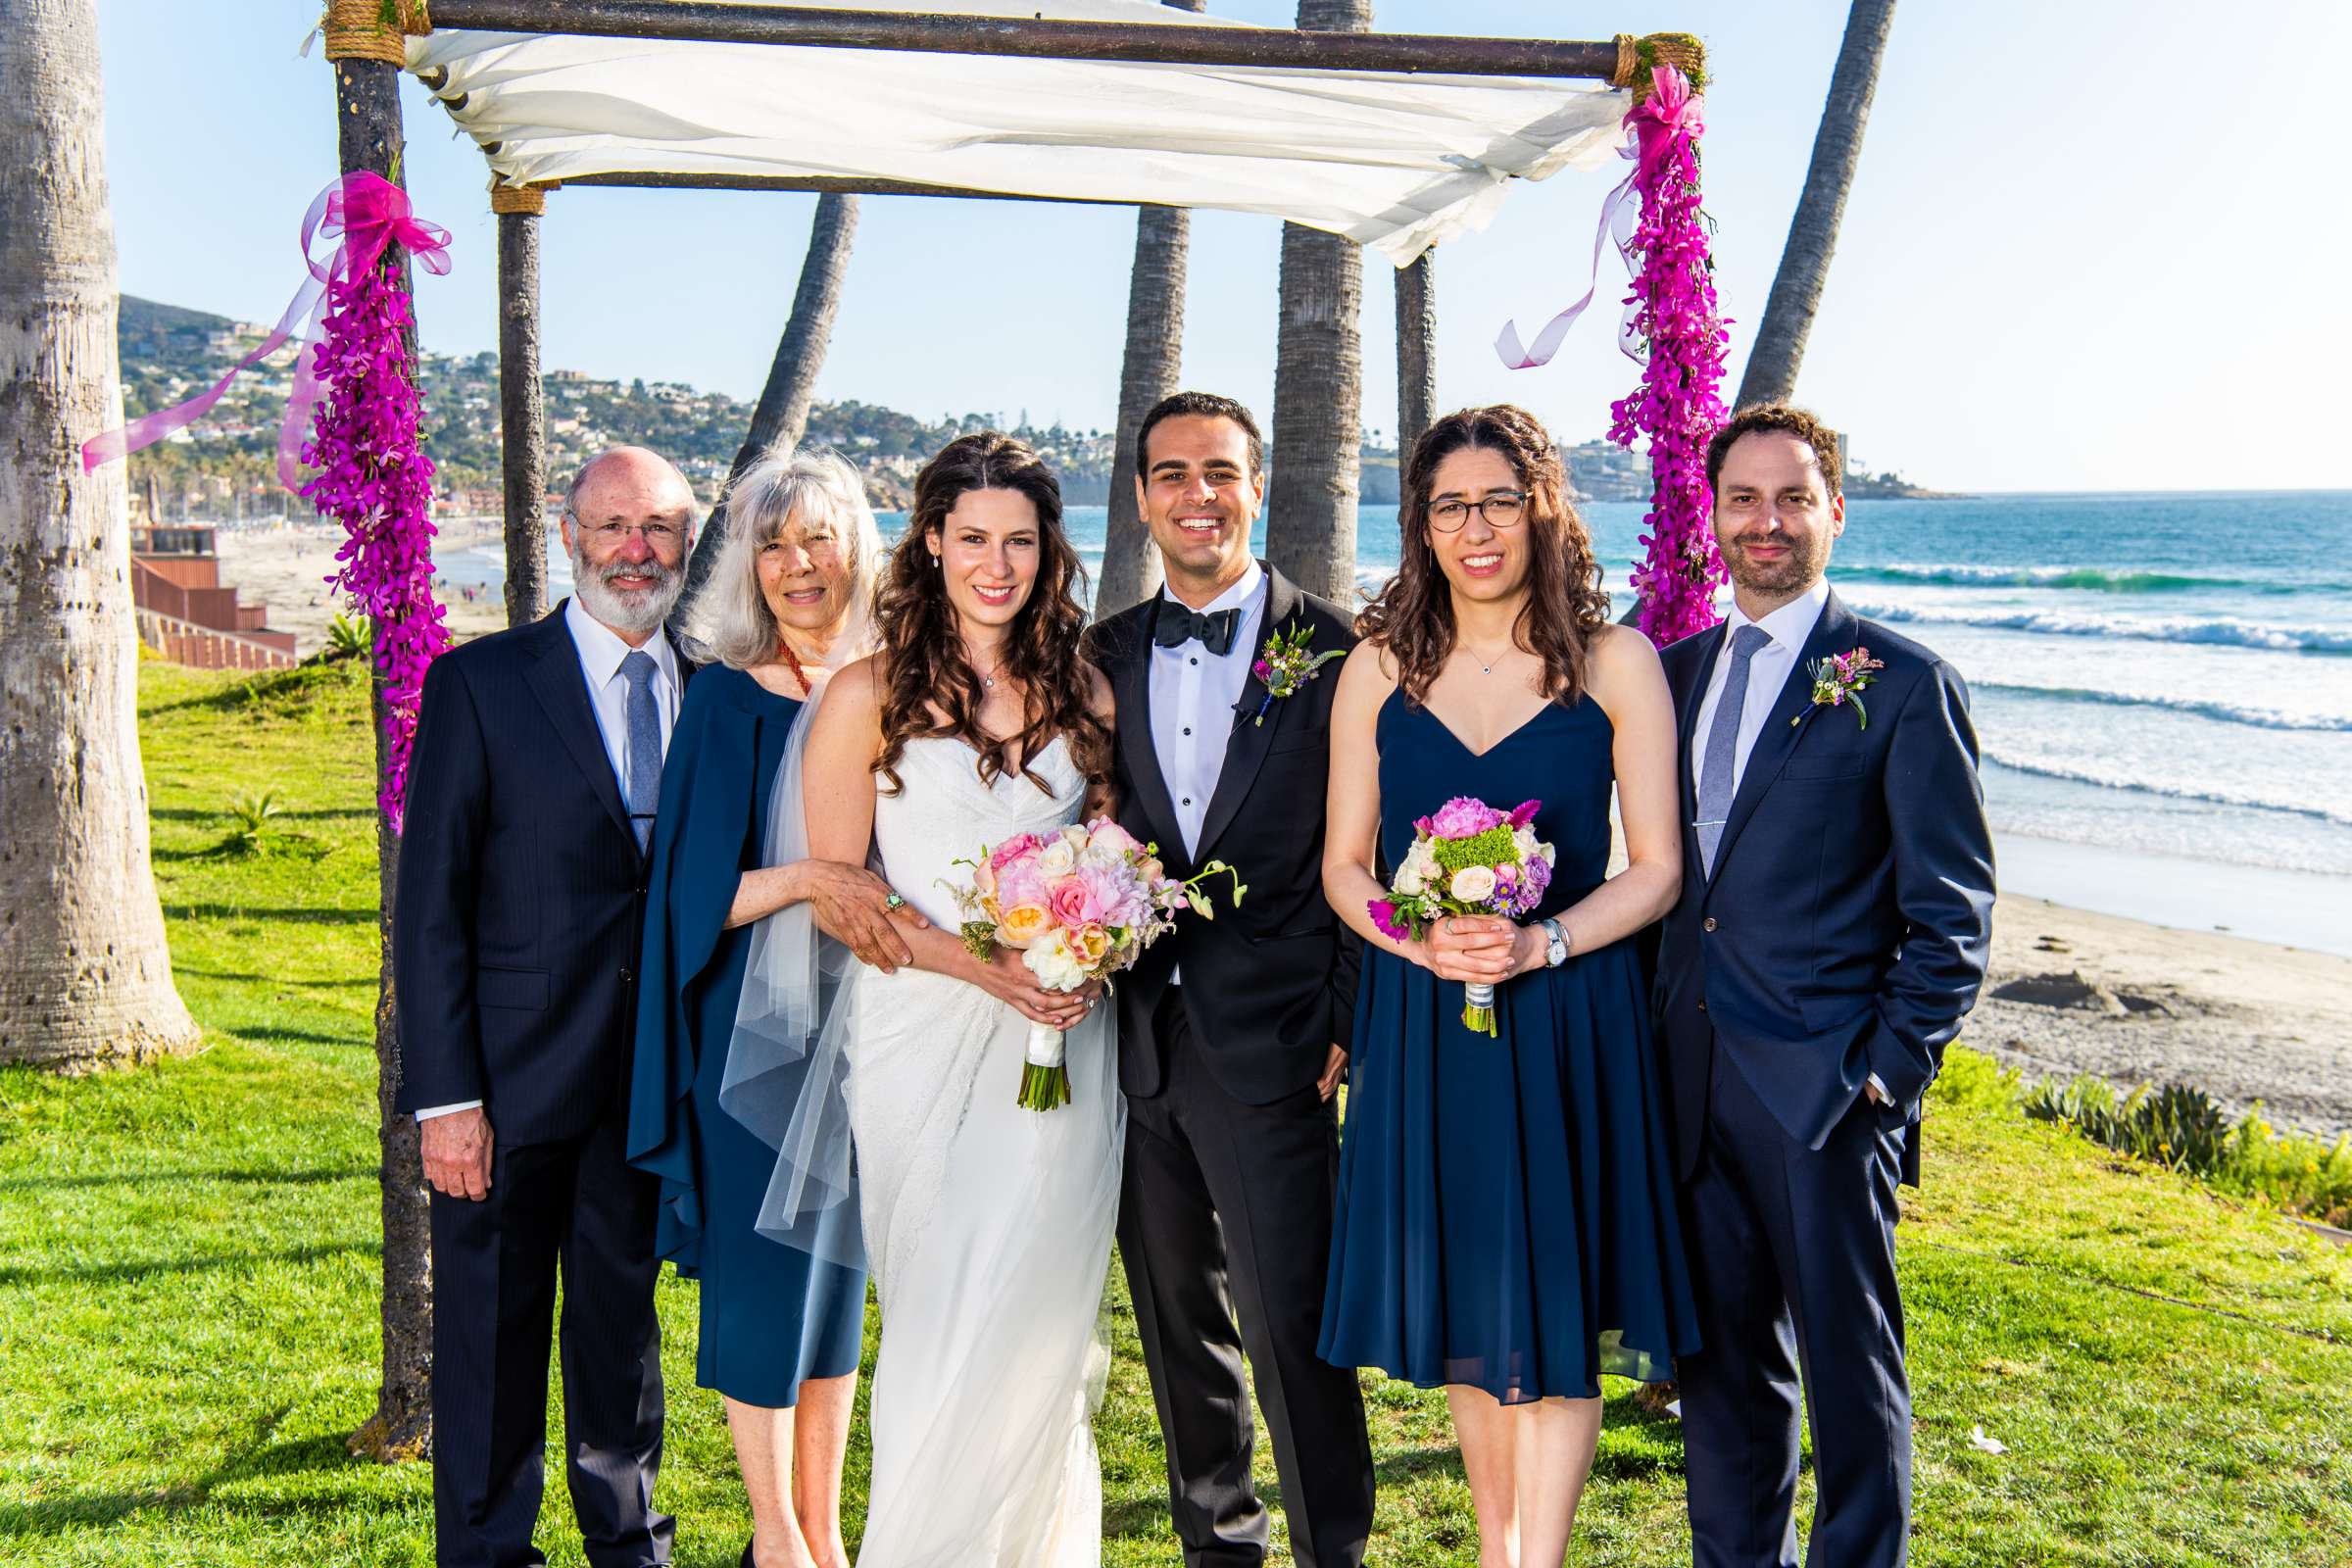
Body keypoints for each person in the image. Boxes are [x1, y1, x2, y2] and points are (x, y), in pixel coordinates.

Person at [1317, 405, 1701, 1566]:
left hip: (1571, 1018)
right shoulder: (1378, 666)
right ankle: (1496, 1551)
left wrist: (1546, 946)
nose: (1475, 528)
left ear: (1541, 508)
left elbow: (1661, 868)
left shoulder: (1617, 659)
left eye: (1496, 501)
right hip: (1427, 1019)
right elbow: (1343, 866)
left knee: (1561, 1298)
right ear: (1421, 524)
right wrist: (1418, 937)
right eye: (1449, 506)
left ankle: (1540, 1559)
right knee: (1473, 1301)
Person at [1655, 403, 1994, 1568]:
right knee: (1723, 1371)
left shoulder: (1904, 684)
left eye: (1793, 497)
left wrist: (1883, 1082)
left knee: (1854, 1381)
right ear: (1712, 519)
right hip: (1689, 1082)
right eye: (1743, 499)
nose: (1768, 521)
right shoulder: (1672, 674)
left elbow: (1951, 921)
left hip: (1828, 1097)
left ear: (1835, 512)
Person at [790, 431, 1118, 1565]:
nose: (997, 562)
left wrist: (1089, 944)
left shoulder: (1083, 689)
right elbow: (842, 895)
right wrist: (990, 971)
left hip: (1066, 1043)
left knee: (1039, 1319)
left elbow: (1111, 855)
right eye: (973, 537)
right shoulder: (863, 695)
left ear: (1047, 552)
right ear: (930, 543)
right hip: (920, 1038)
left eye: (1019, 541)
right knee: (938, 1317)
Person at [393, 446, 699, 1568]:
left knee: (622, 1343)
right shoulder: (483, 684)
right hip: (505, 1091)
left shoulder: (714, 690)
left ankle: (632, 1549)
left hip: (645, 1090)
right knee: (492, 1346)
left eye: (658, 527)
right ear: (570, 535)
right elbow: (429, 907)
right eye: (612, 525)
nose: (635, 549)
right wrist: (447, 1099)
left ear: (686, 541)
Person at [1087, 391, 1375, 1568]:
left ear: (1259, 486)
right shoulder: (1100, 652)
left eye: (1220, 472)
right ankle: (1221, 1546)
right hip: (1137, 1038)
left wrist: (1348, 1018)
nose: (1196, 495)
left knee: (1291, 1326)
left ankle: (1331, 1551)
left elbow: (1373, 842)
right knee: (1176, 1327)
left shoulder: (1343, 648)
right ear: (1143, 495)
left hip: (1283, 1043)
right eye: (1171, 474)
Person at [624, 448, 906, 1568]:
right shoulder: (726, 700)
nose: (797, 565)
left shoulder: (903, 683)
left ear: (855, 551)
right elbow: (686, 897)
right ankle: (776, 1536)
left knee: (839, 1282)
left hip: (881, 1030)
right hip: (751, 1035)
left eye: (817, 540)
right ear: (750, 565)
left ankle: (827, 1528)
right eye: (773, 545)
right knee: (757, 1278)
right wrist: (807, 880)